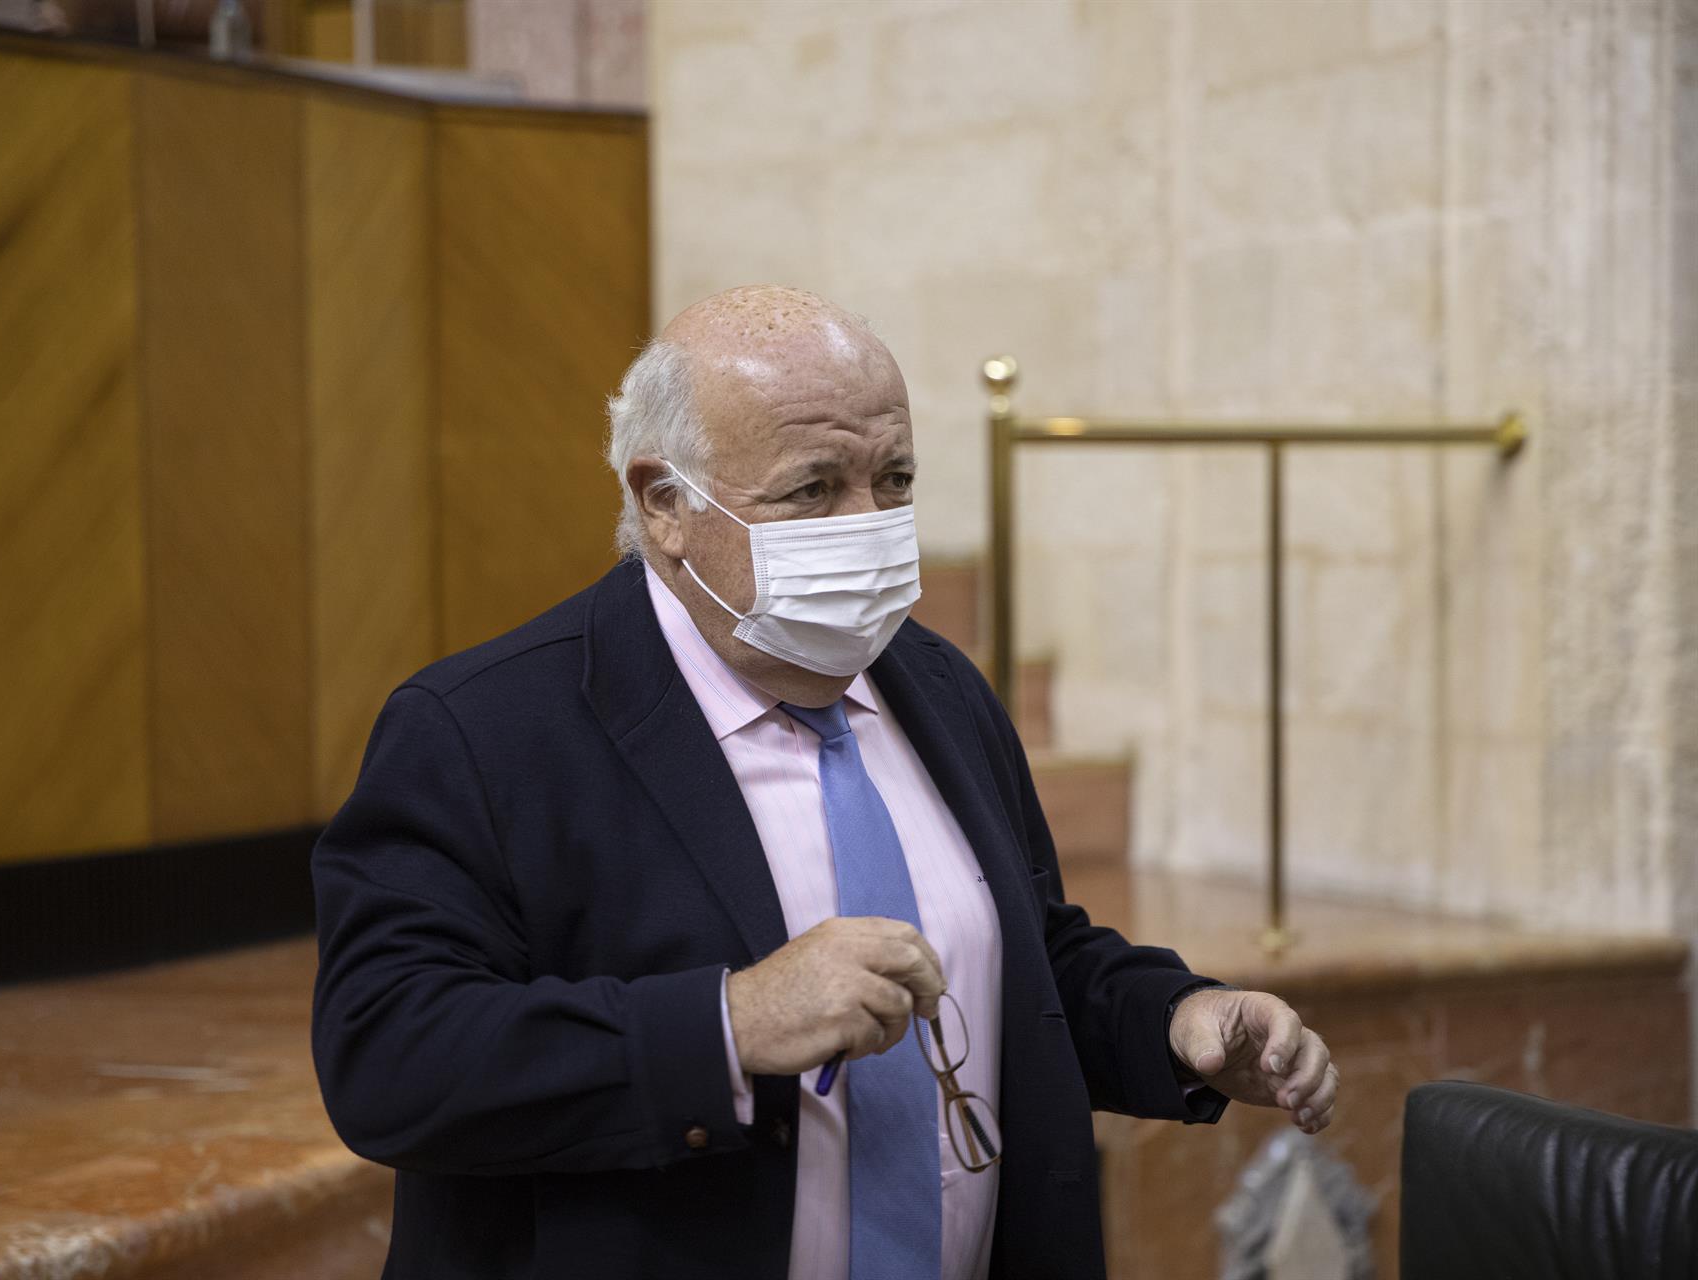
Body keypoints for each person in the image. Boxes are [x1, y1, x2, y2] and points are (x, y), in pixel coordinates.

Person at [310, 286, 1339, 1280]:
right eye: (813, 488)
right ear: (664, 502)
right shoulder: (483, 730)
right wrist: (731, 1022)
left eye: (894, 478)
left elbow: (1025, 956)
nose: (871, 523)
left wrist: (1176, 1019)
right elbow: (391, 1053)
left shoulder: (934, 684)